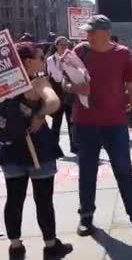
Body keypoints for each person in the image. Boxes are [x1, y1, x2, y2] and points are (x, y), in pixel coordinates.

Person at [64, 15, 132, 246]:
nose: (88, 36)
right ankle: (86, 217)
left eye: (92, 32)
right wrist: (75, 87)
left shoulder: (123, 54)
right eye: (87, 32)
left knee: (124, 171)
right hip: (85, 122)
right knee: (87, 171)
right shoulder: (79, 52)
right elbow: (64, 83)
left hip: (114, 123)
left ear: (105, 32)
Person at [1, 43, 73, 259]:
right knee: (44, 199)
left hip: (10, 150)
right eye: (41, 58)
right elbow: (53, 102)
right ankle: (50, 245)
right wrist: (39, 115)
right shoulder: (38, 82)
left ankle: (15, 246)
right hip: (38, 150)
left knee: (14, 198)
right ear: (28, 62)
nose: (44, 61)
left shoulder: (4, 85)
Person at [46, 36, 76, 153]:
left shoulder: (71, 58)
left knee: (72, 122)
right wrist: (63, 66)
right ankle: (54, 148)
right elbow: (57, 78)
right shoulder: (51, 60)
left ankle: (74, 146)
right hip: (57, 95)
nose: (64, 47)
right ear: (56, 45)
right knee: (56, 122)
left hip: (69, 94)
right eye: (61, 44)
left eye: (66, 44)